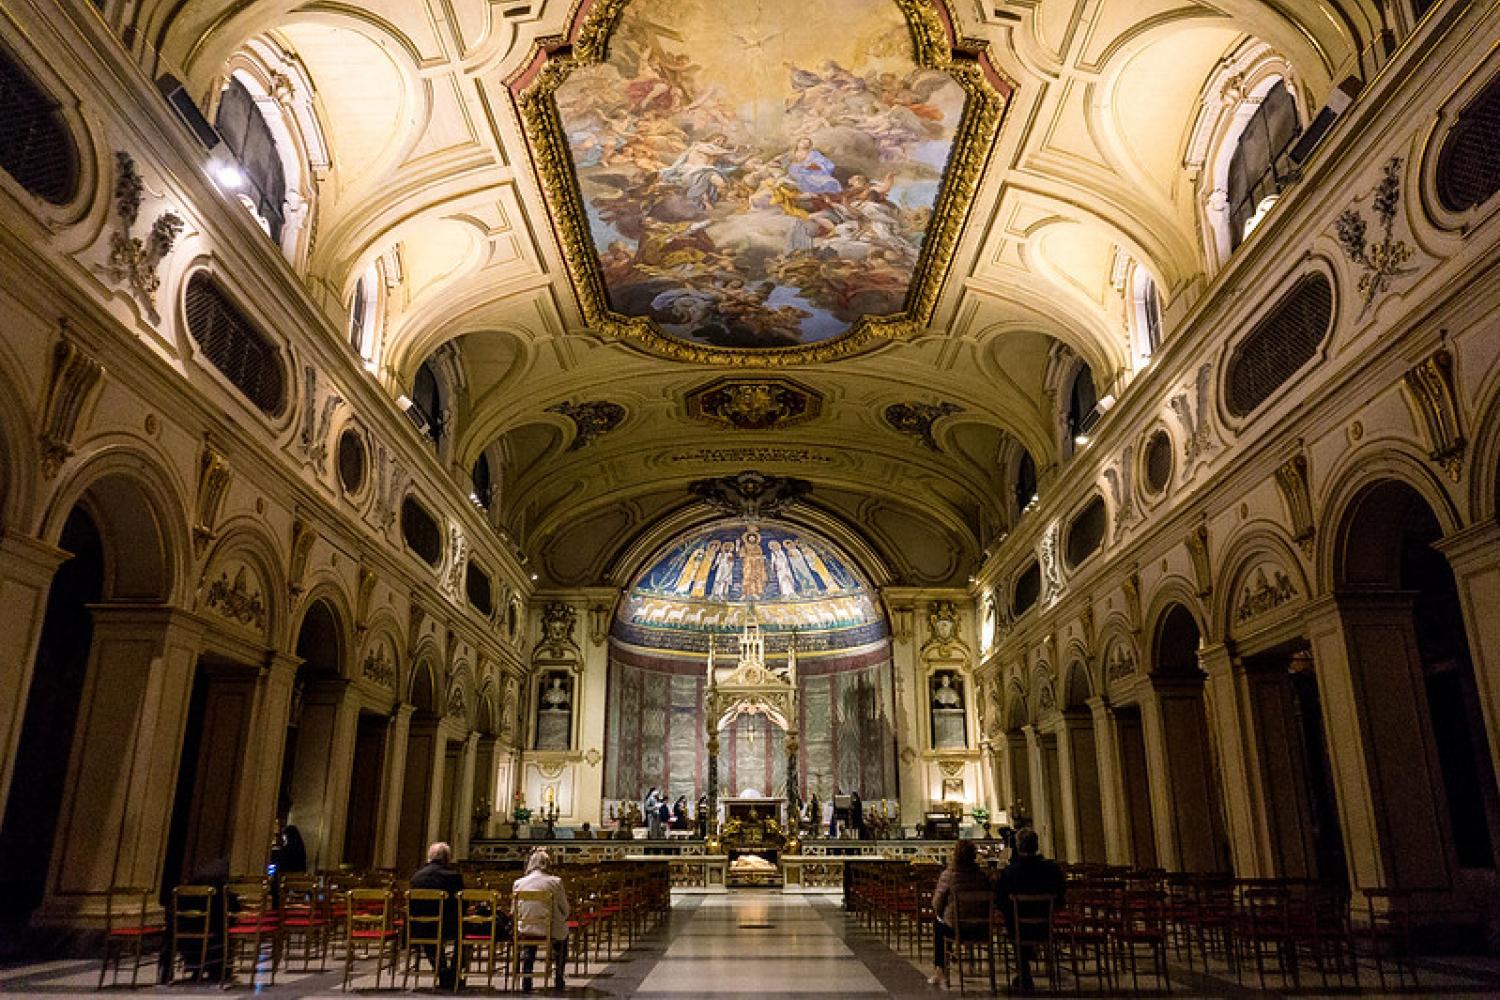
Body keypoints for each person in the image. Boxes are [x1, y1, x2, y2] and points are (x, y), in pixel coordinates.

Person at [994, 828, 1066, 991]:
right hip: (1045, 926)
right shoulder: (1052, 870)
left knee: (1013, 919)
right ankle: (1031, 961)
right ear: (1037, 845)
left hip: (1018, 929)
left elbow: (1000, 901)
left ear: (1018, 846)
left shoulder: (1011, 872)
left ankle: (1024, 971)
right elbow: (1061, 899)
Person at [929, 840, 993, 985]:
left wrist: (941, 914)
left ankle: (940, 969)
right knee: (945, 920)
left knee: (939, 924)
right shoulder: (982, 876)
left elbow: (936, 904)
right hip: (981, 929)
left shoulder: (949, 875)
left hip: (956, 929)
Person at [513, 848, 570, 993]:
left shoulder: (519, 883)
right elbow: (565, 909)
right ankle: (559, 977)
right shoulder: (555, 882)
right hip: (549, 929)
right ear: (547, 864)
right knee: (563, 936)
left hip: (525, 929)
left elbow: (514, 911)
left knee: (530, 940)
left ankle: (527, 977)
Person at [411, 841, 464, 989]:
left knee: (429, 931)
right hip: (447, 925)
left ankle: (441, 971)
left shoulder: (416, 877)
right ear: (447, 858)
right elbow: (462, 903)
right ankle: (452, 973)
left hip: (418, 926)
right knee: (464, 933)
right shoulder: (453, 876)